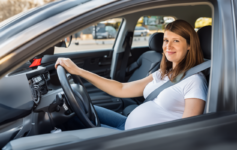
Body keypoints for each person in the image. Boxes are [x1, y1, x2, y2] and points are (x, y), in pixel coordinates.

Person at [55, 20, 208, 130]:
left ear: (189, 45)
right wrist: (78, 71)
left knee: (72, 125)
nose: (168, 46)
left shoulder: (194, 81)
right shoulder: (163, 73)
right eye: (166, 40)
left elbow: (187, 131)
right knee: (74, 113)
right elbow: (121, 89)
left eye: (176, 41)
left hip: (136, 140)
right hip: (127, 124)